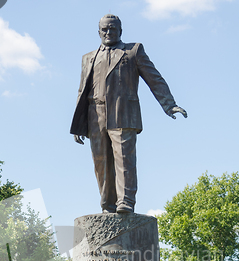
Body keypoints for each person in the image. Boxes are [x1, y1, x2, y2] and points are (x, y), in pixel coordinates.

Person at [70, 14, 187, 213]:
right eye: (104, 29)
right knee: (101, 163)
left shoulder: (133, 51)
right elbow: (82, 90)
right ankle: (108, 204)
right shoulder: (88, 58)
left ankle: (126, 201)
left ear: (120, 31)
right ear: (98, 32)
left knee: (124, 159)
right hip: (95, 115)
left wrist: (170, 104)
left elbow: (154, 78)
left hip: (123, 112)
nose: (108, 32)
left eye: (112, 29)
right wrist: (79, 123)